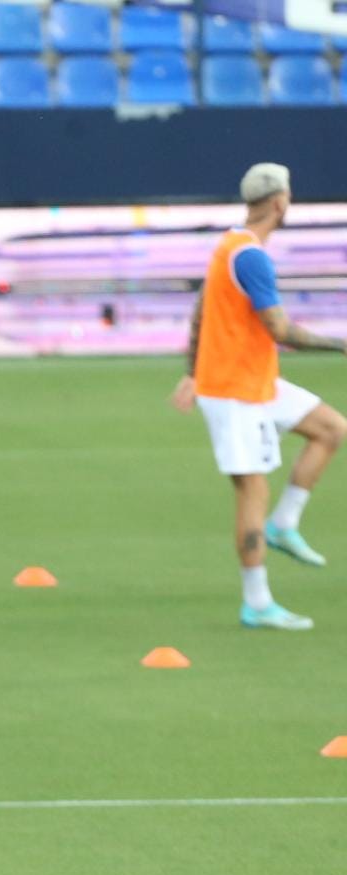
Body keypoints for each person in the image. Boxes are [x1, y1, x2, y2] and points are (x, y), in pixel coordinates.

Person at [172, 161, 347, 631]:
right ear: (279, 201)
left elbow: (200, 310)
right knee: (252, 488)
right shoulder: (251, 257)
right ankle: (257, 601)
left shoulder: (230, 244)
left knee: (332, 429)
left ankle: (284, 525)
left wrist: (191, 371)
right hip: (235, 391)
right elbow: (280, 328)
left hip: (253, 380)